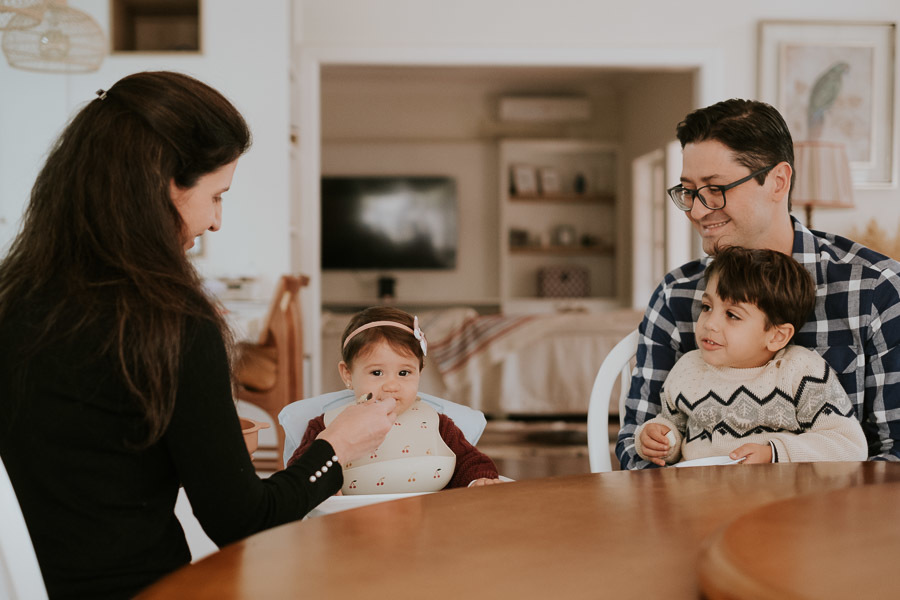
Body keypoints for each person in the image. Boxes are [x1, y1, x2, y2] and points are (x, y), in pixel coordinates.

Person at [0, 71, 398, 600]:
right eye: (217, 196)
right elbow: (244, 521)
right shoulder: (169, 323)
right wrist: (338, 444)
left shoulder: (14, 298)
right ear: (165, 186)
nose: (215, 222)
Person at [616, 98, 900, 469]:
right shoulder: (676, 294)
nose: (698, 211)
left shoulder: (876, 290)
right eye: (688, 191)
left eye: (716, 188)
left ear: (778, 181)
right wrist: (657, 445)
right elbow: (635, 448)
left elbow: (894, 456)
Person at [636, 246, 867, 466]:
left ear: (777, 336)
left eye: (732, 315)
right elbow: (672, 426)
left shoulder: (801, 372)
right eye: (707, 307)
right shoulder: (688, 368)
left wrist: (774, 453)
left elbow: (849, 445)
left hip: (776, 498)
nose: (710, 323)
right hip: (698, 495)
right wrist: (660, 439)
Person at [288, 306, 502, 491]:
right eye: (377, 373)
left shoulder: (437, 423)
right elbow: (300, 472)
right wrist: (321, 488)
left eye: (404, 373)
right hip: (352, 523)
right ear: (348, 375)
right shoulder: (328, 425)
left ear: (419, 372)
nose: (391, 386)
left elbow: (470, 462)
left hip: (427, 521)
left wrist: (479, 480)